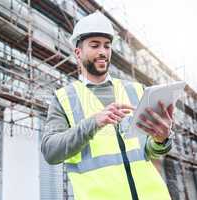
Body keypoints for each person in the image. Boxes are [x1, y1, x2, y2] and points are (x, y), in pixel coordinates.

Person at [41, 11, 173, 200]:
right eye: (94, 46)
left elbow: (147, 151)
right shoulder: (63, 99)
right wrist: (93, 122)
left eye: (107, 46)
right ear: (78, 53)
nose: (103, 52)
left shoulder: (136, 91)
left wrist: (161, 140)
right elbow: (50, 151)